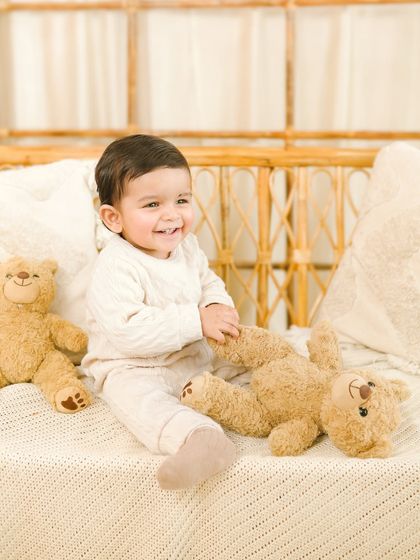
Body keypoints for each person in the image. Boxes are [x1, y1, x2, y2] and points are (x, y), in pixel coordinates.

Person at [82, 134, 247, 490]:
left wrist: (217, 306)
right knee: (140, 403)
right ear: (113, 217)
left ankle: (278, 398)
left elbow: (207, 282)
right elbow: (128, 331)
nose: (172, 215)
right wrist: (196, 320)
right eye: (153, 204)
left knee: (244, 363)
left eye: (182, 200)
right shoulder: (116, 265)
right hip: (134, 367)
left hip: (191, 356)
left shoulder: (187, 247)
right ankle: (198, 439)